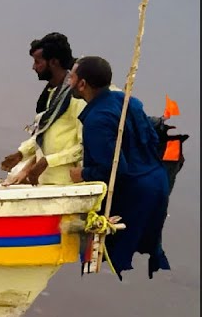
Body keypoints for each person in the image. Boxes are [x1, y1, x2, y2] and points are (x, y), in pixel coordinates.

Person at [67, 56, 170, 278]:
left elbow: (114, 170)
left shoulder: (96, 120)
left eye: (72, 77)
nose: (69, 82)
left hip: (135, 195)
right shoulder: (127, 101)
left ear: (82, 84)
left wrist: (82, 174)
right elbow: (152, 141)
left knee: (112, 259)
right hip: (158, 184)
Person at [1, 33, 85, 186]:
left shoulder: (77, 98)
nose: (34, 67)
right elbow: (43, 134)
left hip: (65, 183)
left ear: (53, 62)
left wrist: (48, 161)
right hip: (43, 182)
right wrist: (22, 153)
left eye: (37, 62)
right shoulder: (53, 95)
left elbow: (82, 147)